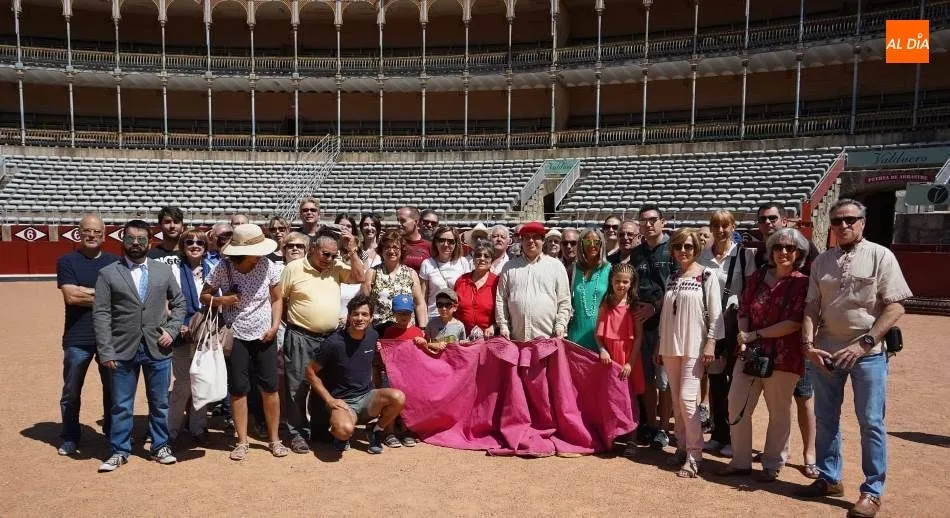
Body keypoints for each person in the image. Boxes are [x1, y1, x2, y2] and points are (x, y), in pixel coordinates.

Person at [796, 199, 912, 518]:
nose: (843, 225)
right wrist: (808, 343)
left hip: (868, 354)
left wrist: (864, 344)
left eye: (850, 220)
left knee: (871, 421)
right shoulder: (822, 263)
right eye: (837, 221)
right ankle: (829, 477)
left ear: (863, 222)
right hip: (827, 351)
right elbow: (810, 307)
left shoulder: (880, 256)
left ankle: (872, 491)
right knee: (825, 417)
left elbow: (896, 306)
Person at [718, 228, 810, 482]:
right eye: (778, 247)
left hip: (783, 356)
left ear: (798, 253)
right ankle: (740, 460)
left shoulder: (802, 282)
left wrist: (753, 335)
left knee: (778, 411)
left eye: (789, 248)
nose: (782, 252)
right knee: (736, 403)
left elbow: (794, 321)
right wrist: (744, 334)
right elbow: (744, 307)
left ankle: (772, 463)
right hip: (750, 352)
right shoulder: (759, 276)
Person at [93, 219, 186, 472]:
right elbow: (101, 314)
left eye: (141, 239)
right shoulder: (108, 273)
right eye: (131, 239)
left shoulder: (162, 271)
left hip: (158, 347)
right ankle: (119, 450)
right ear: (122, 240)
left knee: (159, 402)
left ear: (149, 242)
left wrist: (171, 329)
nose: (136, 244)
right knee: (121, 404)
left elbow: (179, 303)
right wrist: (105, 349)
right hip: (122, 348)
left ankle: (160, 446)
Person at [200, 224, 287, 461]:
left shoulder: (269, 266)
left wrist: (275, 325)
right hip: (235, 335)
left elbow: (277, 298)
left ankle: (274, 439)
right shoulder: (223, 267)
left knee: (270, 389)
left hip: (264, 335)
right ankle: (242, 441)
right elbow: (204, 296)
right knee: (238, 390)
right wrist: (224, 300)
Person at [279, 232, 365, 454]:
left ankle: (318, 430)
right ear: (313, 249)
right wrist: (290, 325)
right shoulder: (294, 268)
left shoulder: (336, 267)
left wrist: (352, 251)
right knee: (297, 386)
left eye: (334, 255)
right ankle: (297, 433)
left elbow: (359, 277)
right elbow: (280, 298)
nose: (329, 258)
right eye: (326, 254)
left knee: (324, 386)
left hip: (329, 338)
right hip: (300, 335)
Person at [754, 201, 820, 474]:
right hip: (768, 338)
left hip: (796, 336)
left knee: (803, 396)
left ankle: (810, 454)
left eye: (772, 218)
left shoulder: (804, 247)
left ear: (784, 219)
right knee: (776, 399)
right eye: (763, 220)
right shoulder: (761, 252)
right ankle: (778, 451)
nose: (768, 223)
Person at [657, 228, 722, 478]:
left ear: (696, 249)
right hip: (671, 346)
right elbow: (666, 314)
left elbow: (715, 313)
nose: (683, 251)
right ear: (672, 249)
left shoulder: (707, 276)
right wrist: (660, 345)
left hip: (694, 346)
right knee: (676, 401)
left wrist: (711, 342)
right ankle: (682, 446)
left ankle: (695, 453)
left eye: (688, 247)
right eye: (678, 246)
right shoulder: (672, 277)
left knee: (686, 399)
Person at [305, 294, 407, 454]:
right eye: (356, 314)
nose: (360, 318)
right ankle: (341, 436)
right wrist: (329, 400)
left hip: (367, 398)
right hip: (344, 403)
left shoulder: (373, 336)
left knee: (398, 397)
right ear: (349, 316)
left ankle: (375, 430)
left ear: (371, 318)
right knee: (344, 430)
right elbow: (310, 372)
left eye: (365, 314)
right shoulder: (333, 343)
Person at [56, 214, 118, 456]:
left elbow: (121, 297)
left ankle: (113, 435)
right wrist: (104, 295)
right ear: (78, 232)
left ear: (104, 235)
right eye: (87, 231)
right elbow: (71, 296)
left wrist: (88, 292)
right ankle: (70, 435)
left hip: (109, 337)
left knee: (113, 389)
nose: (92, 235)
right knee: (71, 390)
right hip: (77, 337)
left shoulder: (115, 262)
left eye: (97, 232)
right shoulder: (67, 261)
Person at [697, 210, 757, 457]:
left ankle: (735, 437)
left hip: (735, 326)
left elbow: (752, 290)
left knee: (736, 384)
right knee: (716, 381)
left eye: (725, 226)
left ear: (733, 227)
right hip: (711, 326)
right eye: (716, 226)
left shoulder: (744, 256)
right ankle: (719, 434)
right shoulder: (702, 257)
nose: (720, 231)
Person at [630, 203, 677, 449]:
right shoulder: (636, 254)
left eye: (652, 220)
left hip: (666, 323)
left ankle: (664, 428)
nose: (648, 224)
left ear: (662, 222)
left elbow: (677, 287)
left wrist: (655, 308)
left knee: (665, 380)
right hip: (642, 324)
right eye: (643, 220)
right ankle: (650, 424)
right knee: (647, 378)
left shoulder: (673, 249)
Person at [167, 229, 212, 444]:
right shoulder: (174, 270)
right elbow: (166, 303)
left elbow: (217, 303)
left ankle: (198, 427)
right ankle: (172, 429)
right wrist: (179, 325)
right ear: (183, 246)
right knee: (183, 383)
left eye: (200, 243)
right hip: (182, 334)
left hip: (205, 335)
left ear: (205, 247)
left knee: (201, 382)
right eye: (189, 242)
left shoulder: (213, 269)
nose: (195, 246)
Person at [595, 262, 645, 458]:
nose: (621, 285)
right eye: (617, 281)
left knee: (630, 398)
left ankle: (632, 438)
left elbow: (639, 337)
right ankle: (612, 435)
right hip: (610, 359)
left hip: (628, 358)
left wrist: (630, 363)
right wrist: (602, 351)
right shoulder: (605, 303)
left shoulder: (634, 306)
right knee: (610, 398)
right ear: (611, 281)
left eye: (625, 282)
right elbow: (598, 334)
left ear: (631, 284)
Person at [495, 222, 571, 341]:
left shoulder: (556, 266)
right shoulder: (509, 267)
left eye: (535, 237)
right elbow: (501, 299)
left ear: (542, 241)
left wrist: (560, 326)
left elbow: (564, 301)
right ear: (521, 241)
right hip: (516, 339)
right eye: (527, 237)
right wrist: (503, 326)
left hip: (548, 339)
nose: (530, 241)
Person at [362, 229, 428, 328]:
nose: (391, 251)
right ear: (381, 250)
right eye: (387, 247)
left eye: (395, 247)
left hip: (405, 330)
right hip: (379, 330)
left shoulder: (411, 273)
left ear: (402, 250)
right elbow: (366, 305)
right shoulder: (372, 273)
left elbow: (419, 304)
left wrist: (423, 328)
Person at [567, 228, 611, 352]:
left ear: (601, 244)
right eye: (587, 242)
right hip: (576, 334)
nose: (592, 245)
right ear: (581, 244)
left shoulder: (609, 269)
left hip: (602, 338)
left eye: (596, 242)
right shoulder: (573, 269)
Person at [419, 226, 472, 318]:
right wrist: (423, 324)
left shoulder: (463, 262)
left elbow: (468, 293)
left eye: (451, 241)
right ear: (435, 242)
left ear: (456, 244)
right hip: (435, 316)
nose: (446, 244)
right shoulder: (427, 264)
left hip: (457, 317)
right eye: (442, 240)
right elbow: (423, 298)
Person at [454, 242, 499, 340]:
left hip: (489, 338)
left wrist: (494, 326)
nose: (482, 259)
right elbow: (453, 309)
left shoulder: (497, 282)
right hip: (462, 337)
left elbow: (505, 312)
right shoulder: (461, 280)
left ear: (491, 260)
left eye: (486, 256)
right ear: (473, 259)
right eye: (478, 255)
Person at [397, 206, 431, 272]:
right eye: (398, 220)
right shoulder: (395, 244)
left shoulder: (430, 246)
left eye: (403, 221)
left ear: (416, 222)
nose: (398, 224)